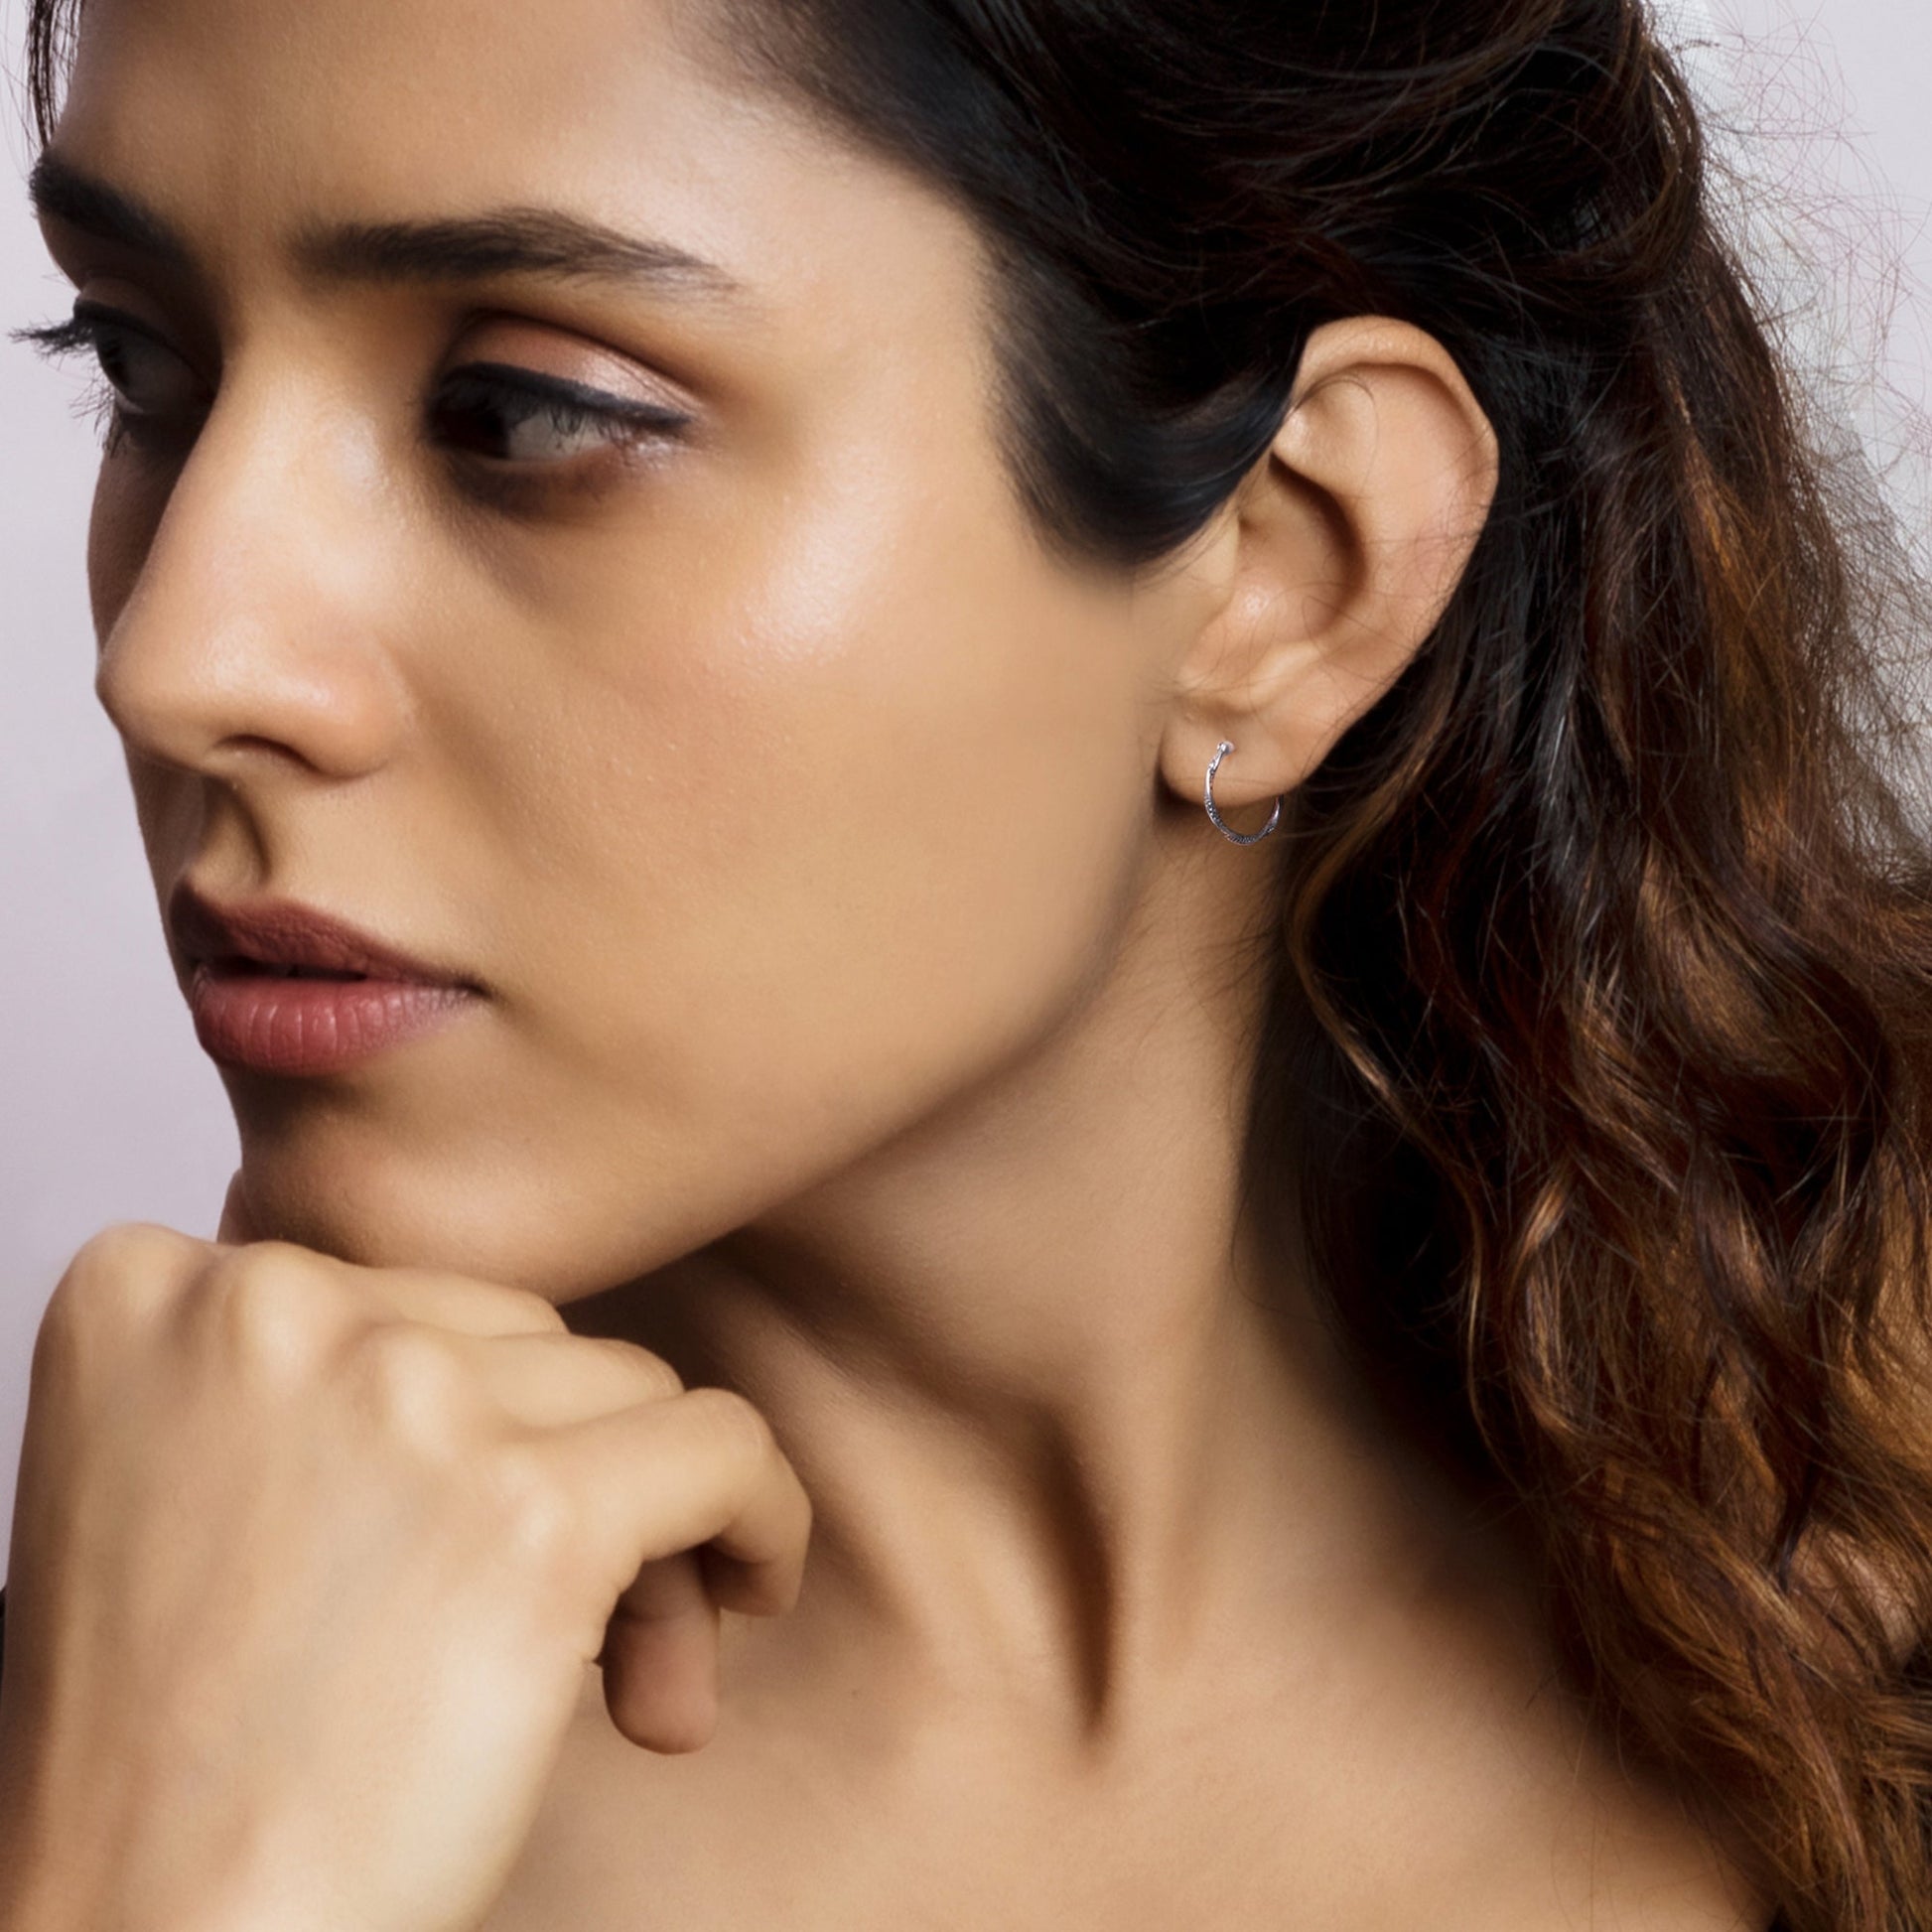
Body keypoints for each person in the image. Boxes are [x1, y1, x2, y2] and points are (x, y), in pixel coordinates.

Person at [2, 0, 1930, 1925]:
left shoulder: (1874, 1579)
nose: (176, 657)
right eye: (141, 363)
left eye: (524, 413)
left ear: (1289, 566)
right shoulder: (108, 1803)